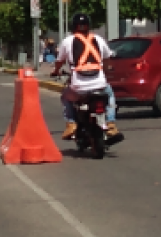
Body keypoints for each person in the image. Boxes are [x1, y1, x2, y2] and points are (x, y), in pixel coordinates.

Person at [51, 13, 123, 142]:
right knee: (110, 94)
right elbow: (106, 59)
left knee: (65, 97)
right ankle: (111, 124)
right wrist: (105, 70)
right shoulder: (99, 39)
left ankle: (71, 124)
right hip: (100, 84)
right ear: (89, 26)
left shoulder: (67, 41)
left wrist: (56, 71)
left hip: (78, 87)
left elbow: (59, 61)